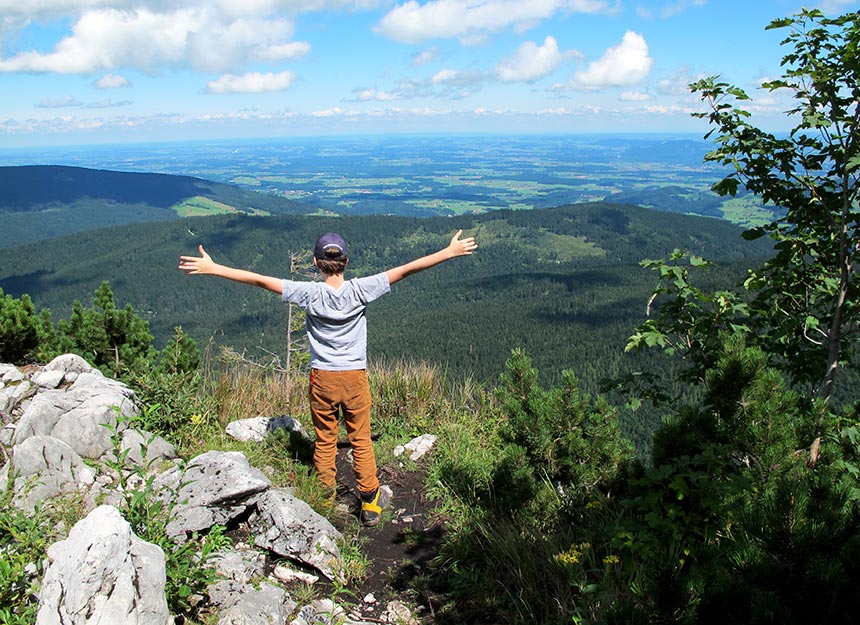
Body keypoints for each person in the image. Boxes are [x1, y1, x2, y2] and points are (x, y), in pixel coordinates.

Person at [178, 229, 478, 526]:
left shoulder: (308, 293)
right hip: (354, 377)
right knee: (360, 439)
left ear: (315, 262)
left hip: (322, 378)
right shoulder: (361, 290)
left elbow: (259, 280)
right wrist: (448, 252)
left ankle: (323, 499)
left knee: (325, 440)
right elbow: (407, 269)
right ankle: (370, 501)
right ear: (345, 261)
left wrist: (214, 268)